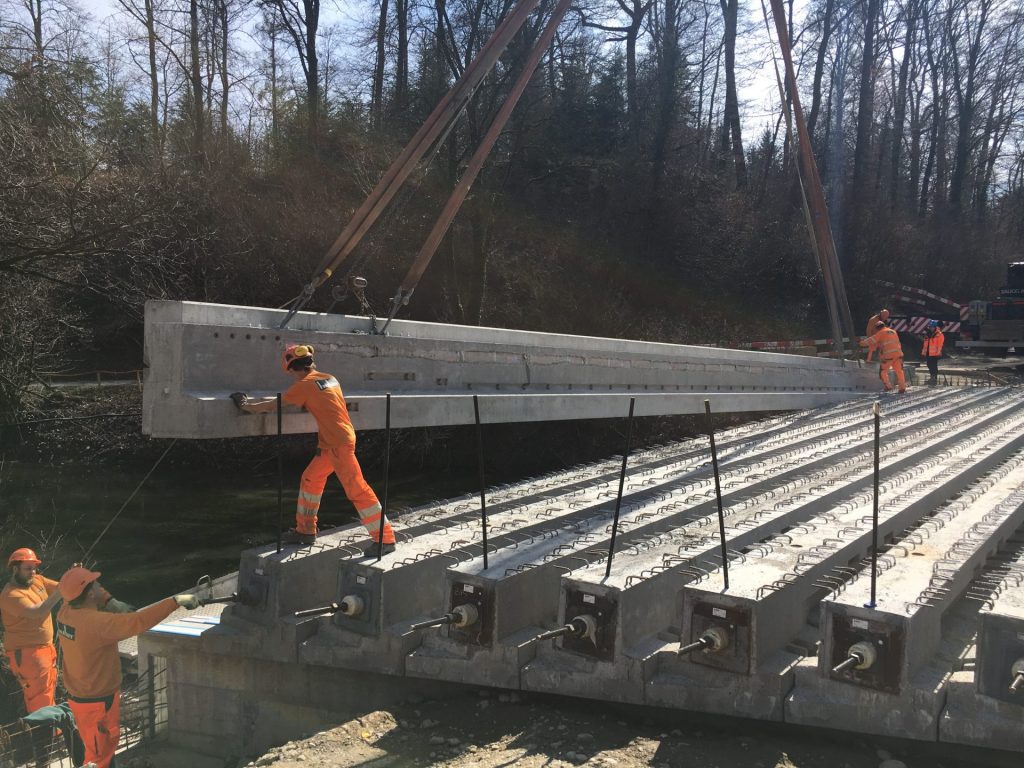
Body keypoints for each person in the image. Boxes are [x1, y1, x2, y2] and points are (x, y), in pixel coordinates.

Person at [232, 344, 397, 555]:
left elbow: (272, 405)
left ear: (292, 369)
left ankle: (385, 539)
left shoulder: (304, 385)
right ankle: (306, 531)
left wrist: (244, 405)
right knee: (310, 479)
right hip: (333, 443)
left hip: (337, 444)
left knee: (357, 489)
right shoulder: (330, 378)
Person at [55, 566, 200, 768]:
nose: (99, 585)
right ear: (89, 593)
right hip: (98, 702)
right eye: (96, 583)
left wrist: (108, 600)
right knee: (99, 757)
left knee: (96, 748)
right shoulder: (97, 624)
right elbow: (138, 621)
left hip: (82, 696)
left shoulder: (65, 612)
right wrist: (175, 602)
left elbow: (81, 593)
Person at [0, 548, 62, 714]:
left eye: (34, 568)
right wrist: (61, 592)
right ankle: (45, 736)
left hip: (45, 650)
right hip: (28, 656)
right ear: (15, 569)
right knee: (39, 700)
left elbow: (63, 587)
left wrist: (72, 577)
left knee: (47, 695)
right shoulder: (10, 595)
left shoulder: (37, 580)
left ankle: (52, 733)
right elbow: (37, 612)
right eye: (28, 568)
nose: (33, 572)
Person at [860, 320, 907, 393]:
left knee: (883, 372)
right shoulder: (893, 331)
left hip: (888, 356)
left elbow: (871, 340)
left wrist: (861, 343)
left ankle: (888, 386)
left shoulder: (880, 333)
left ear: (877, 328)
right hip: (898, 355)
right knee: (899, 371)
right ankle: (902, 388)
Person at [921, 320, 945, 385]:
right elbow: (925, 344)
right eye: (930, 327)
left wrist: (938, 353)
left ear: (935, 327)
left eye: (932, 327)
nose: (931, 328)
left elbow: (940, 345)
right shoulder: (928, 334)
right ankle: (932, 377)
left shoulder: (939, 334)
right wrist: (924, 352)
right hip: (928, 353)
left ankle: (934, 378)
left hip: (935, 354)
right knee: (929, 365)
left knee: (933, 366)